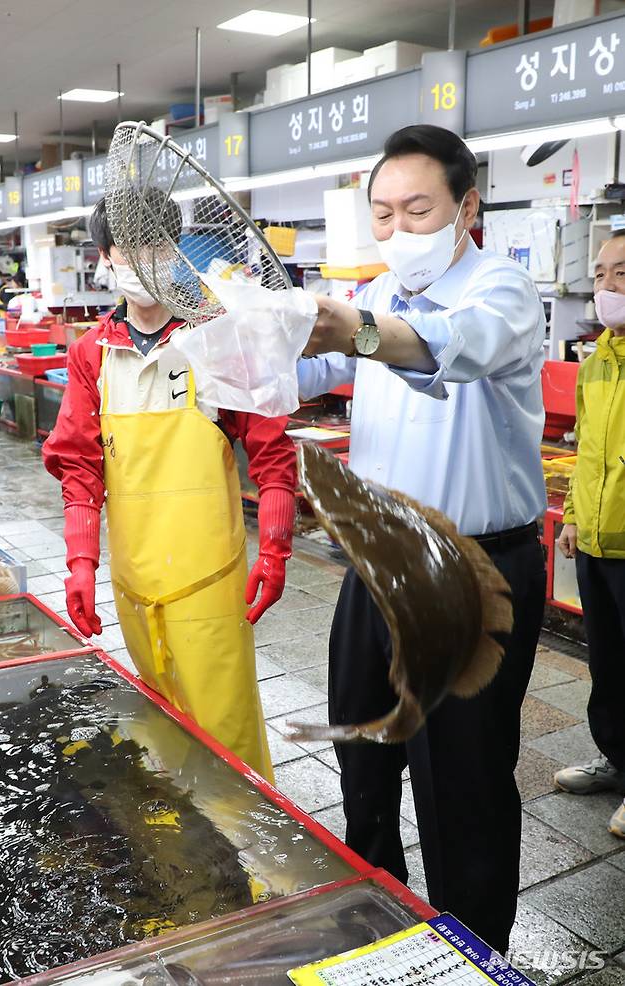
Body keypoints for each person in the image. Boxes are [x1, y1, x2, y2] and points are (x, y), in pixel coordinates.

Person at [299, 124, 547, 953]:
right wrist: (248, 332)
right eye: (382, 213)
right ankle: (381, 929)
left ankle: (478, 951)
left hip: (472, 576)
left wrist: (359, 330)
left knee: (463, 785)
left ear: (466, 207)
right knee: (364, 764)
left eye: (417, 210)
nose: (397, 230)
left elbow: (457, 349)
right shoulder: (380, 293)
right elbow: (304, 371)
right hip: (374, 571)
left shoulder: (502, 292)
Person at [43, 192, 297, 783]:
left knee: (227, 734)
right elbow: (81, 467)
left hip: (210, 582)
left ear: (175, 249)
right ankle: (182, 859)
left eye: (155, 243)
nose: (142, 259)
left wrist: (277, 548)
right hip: (134, 583)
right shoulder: (91, 355)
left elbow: (273, 452)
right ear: (105, 256)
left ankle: (250, 868)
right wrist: (81, 563)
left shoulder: (219, 339)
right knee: (160, 732)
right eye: (127, 246)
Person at [555, 231, 625, 840]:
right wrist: (575, 515)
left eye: (620, 273)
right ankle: (617, 761)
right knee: (607, 662)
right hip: (599, 541)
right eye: (600, 274)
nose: (607, 287)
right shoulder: (598, 357)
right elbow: (586, 452)